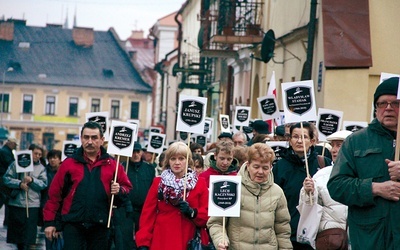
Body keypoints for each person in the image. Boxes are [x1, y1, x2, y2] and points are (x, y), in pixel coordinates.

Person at [327, 76, 400, 250]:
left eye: (396, 103)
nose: (388, 108)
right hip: (369, 239)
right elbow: (336, 186)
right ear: (375, 109)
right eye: (382, 103)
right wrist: (375, 188)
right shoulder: (356, 142)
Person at [43, 121, 132, 250]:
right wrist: (50, 223)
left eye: (94, 138)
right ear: (81, 139)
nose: (90, 141)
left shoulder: (113, 165)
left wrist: (119, 190)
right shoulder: (68, 164)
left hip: (100, 225)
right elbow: (54, 195)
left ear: (102, 140)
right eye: (86, 137)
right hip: (73, 224)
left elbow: (127, 188)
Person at [207, 143, 292, 249]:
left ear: (271, 167)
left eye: (265, 168)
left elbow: (282, 230)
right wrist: (221, 239)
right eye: (256, 167)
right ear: (248, 165)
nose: (260, 172)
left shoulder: (277, 192)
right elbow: (216, 223)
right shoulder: (231, 187)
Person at [135, 141, 209, 250]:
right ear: (168, 161)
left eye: (181, 158)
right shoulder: (159, 182)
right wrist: (143, 242)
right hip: (162, 239)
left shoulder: (199, 183)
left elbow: (207, 215)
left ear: (188, 160)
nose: (177, 162)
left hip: (188, 238)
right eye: (173, 159)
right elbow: (147, 215)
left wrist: (192, 212)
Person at [272, 122, 330, 249]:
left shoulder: (323, 163)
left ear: (312, 140)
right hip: (289, 232)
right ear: (289, 140)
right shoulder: (280, 167)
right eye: (295, 136)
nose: (299, 141)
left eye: (304, 137)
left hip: (317, 232)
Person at [300, 130, 352, 247]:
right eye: (332, 145)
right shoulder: (321, 175)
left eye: (339, 145)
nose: (333, 149)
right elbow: (310, 209)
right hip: (330, 241)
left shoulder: (364, 175)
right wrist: (309, 193)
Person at [3, 143, 47, 250]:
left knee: (29, 236)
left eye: (40, 154)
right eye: (35, 153)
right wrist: (19, 184)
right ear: (29, 152)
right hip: (16, 204)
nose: (37, 156)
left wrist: (32, 180)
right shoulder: (16, 164)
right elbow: (6, 179)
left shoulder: (41, 168)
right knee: (17, 236)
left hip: (32, 205)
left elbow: (43, 184)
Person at [115, 142, 155, 250]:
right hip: (126, 209)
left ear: (141, 152)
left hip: (143, 209)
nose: (135, 154)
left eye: (138, 151)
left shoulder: (149, 169)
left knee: (142, 237)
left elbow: (152, 187)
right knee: (126, 238)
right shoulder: (122, 167)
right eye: (133, 152)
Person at [41, 149, 63, 250]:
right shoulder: (44, 171)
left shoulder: (64, 172)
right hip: (47, 205)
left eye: (55, 158)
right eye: (50, 158)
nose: (52, 160)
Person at [0, 137, 18, 226]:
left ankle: (7, 221)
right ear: (10, 143)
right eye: (15, 145)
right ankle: (7, 221)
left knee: (5, 199)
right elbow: (11, 164)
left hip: (2, 178)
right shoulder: (5, 152)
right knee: (4, 199)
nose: (15, 147)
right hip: (2, 179)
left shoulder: (5, 150)